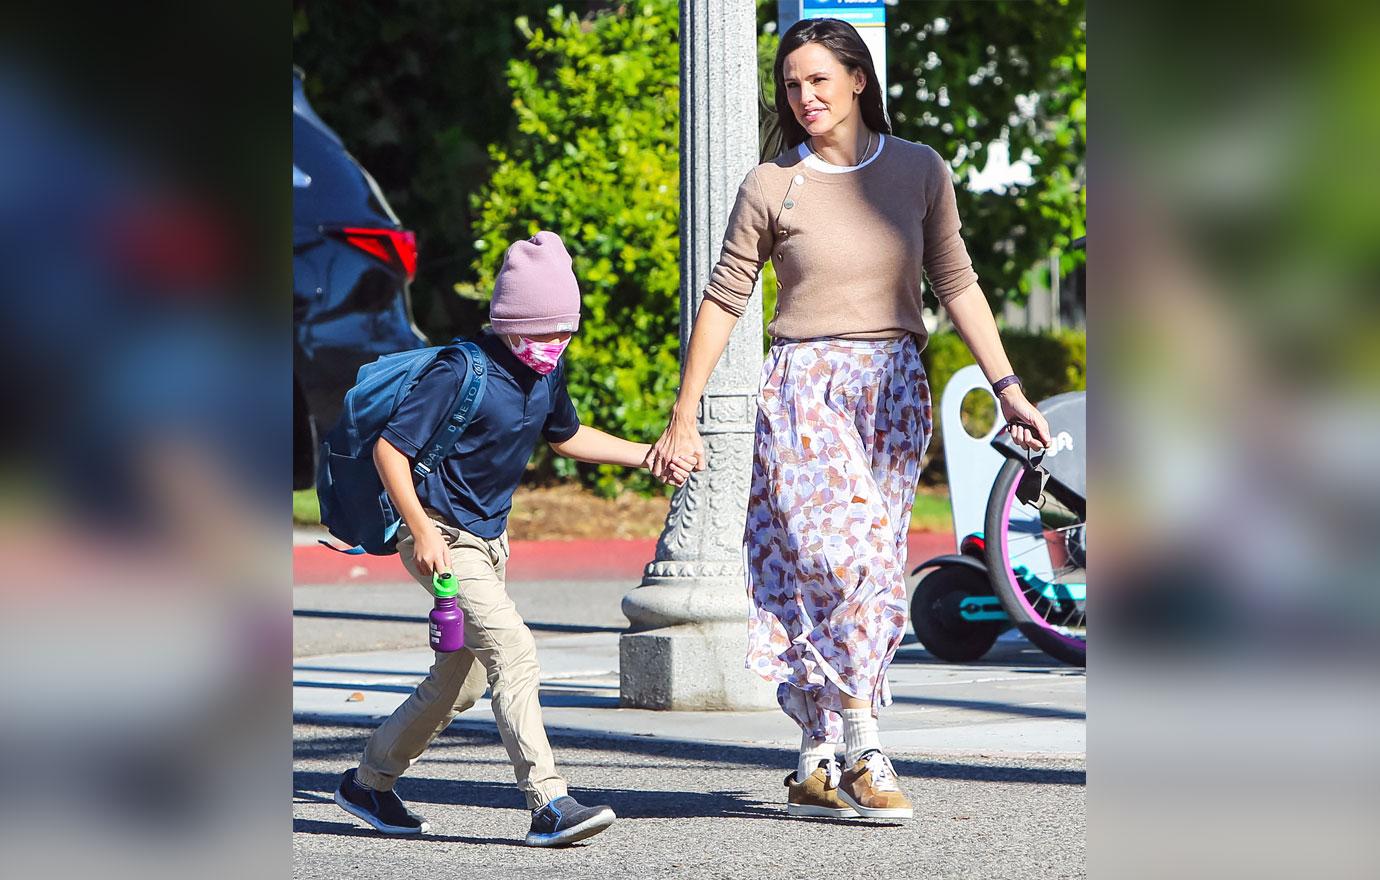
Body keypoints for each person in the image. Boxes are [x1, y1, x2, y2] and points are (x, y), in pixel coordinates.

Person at [646, 18, 1052, 821]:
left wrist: (1007, 386)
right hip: (804, 388)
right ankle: (865, 744)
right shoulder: (771, 185)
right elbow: (726, 298)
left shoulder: (917, 170)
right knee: (852, 561)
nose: (804, 98)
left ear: (858, 80)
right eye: (792, 85)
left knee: (847, 571)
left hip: (894, 387)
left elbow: (957, 283)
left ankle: (813, 757)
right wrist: (683, 413)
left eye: (818, 81)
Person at [334, 231, 693, 846]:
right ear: (508, 323)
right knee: (515, 649)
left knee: (462, 679)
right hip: (442, 538)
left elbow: (566, 437)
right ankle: (548, 801)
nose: (555, 347)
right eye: (543, 334)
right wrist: (420, 530)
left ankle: (369, 782)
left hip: (489, 543)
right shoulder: (460, 370)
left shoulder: (545, 370)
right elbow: (391, 450)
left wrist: (647, 456)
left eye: (564, 335)